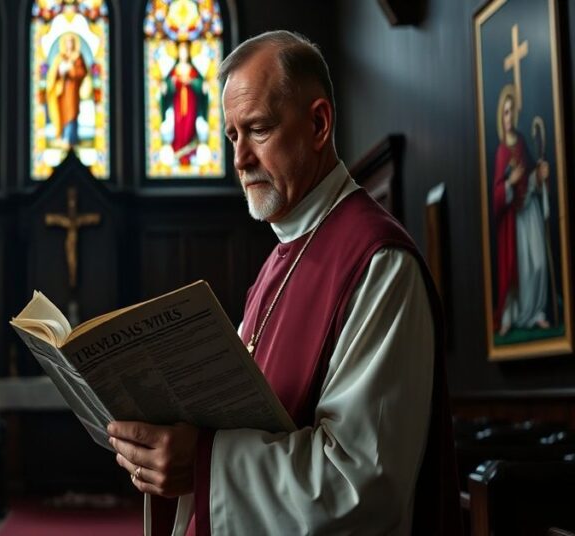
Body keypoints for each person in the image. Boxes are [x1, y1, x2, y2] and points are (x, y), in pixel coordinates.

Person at [107, 31, 459, 534]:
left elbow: (360, 486)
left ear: (318, 124)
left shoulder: (378, 263)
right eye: (232, 136)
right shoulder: (278, 261)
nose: (240, 159)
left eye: (258, 129)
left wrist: (203, 464)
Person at [492, 84, 551, 337]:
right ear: (500, 116)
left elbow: (531, 178)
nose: (508, 118)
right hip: (513, 222)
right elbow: (495, 195)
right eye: (504, 112)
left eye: (511, 111)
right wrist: (509, 183)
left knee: (537, 264)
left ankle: (536, 312)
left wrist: (539, 176)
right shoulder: (501, 151)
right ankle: (510, 316)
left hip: (530, 213)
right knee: (516, 269)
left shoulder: (523, 143)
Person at [160, 41, 208, 166]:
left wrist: (191, 82)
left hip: (191, 103)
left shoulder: (192, 69)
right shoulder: (175, 69)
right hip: (177, 104)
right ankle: (178, 152)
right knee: (178, 127)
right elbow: (167, 86)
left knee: (190, 125)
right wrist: (174, 82)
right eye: (181, 51)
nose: (183, 54)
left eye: (185, 51)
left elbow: (201, 85)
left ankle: (190, 153)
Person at [46, 33, 87, 149]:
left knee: (72, 113)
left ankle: (71, 138)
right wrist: (60, 71)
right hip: (62, 91)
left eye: (71, 41)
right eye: (67, 41)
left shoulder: (78, 56)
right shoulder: (60, 57)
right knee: (62, 113)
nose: (70, 44)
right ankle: (63, 137)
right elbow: (54, 74)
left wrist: (71, 70)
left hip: (73, 91)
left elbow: (82, 72)